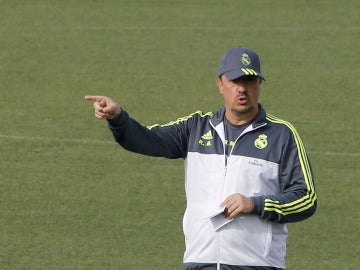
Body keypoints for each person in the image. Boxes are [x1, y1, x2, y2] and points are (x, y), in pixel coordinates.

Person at [85, 46, 317, 270]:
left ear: (260, 84)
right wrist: (118, 118)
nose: (242, 89)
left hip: (257, 264)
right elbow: (146, 139)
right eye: (234, 81)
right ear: (220, 84)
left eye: (248, 81)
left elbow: (306, 199)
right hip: (201, 260)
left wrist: (254, 204)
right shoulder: (195, 128)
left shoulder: (282, 134)